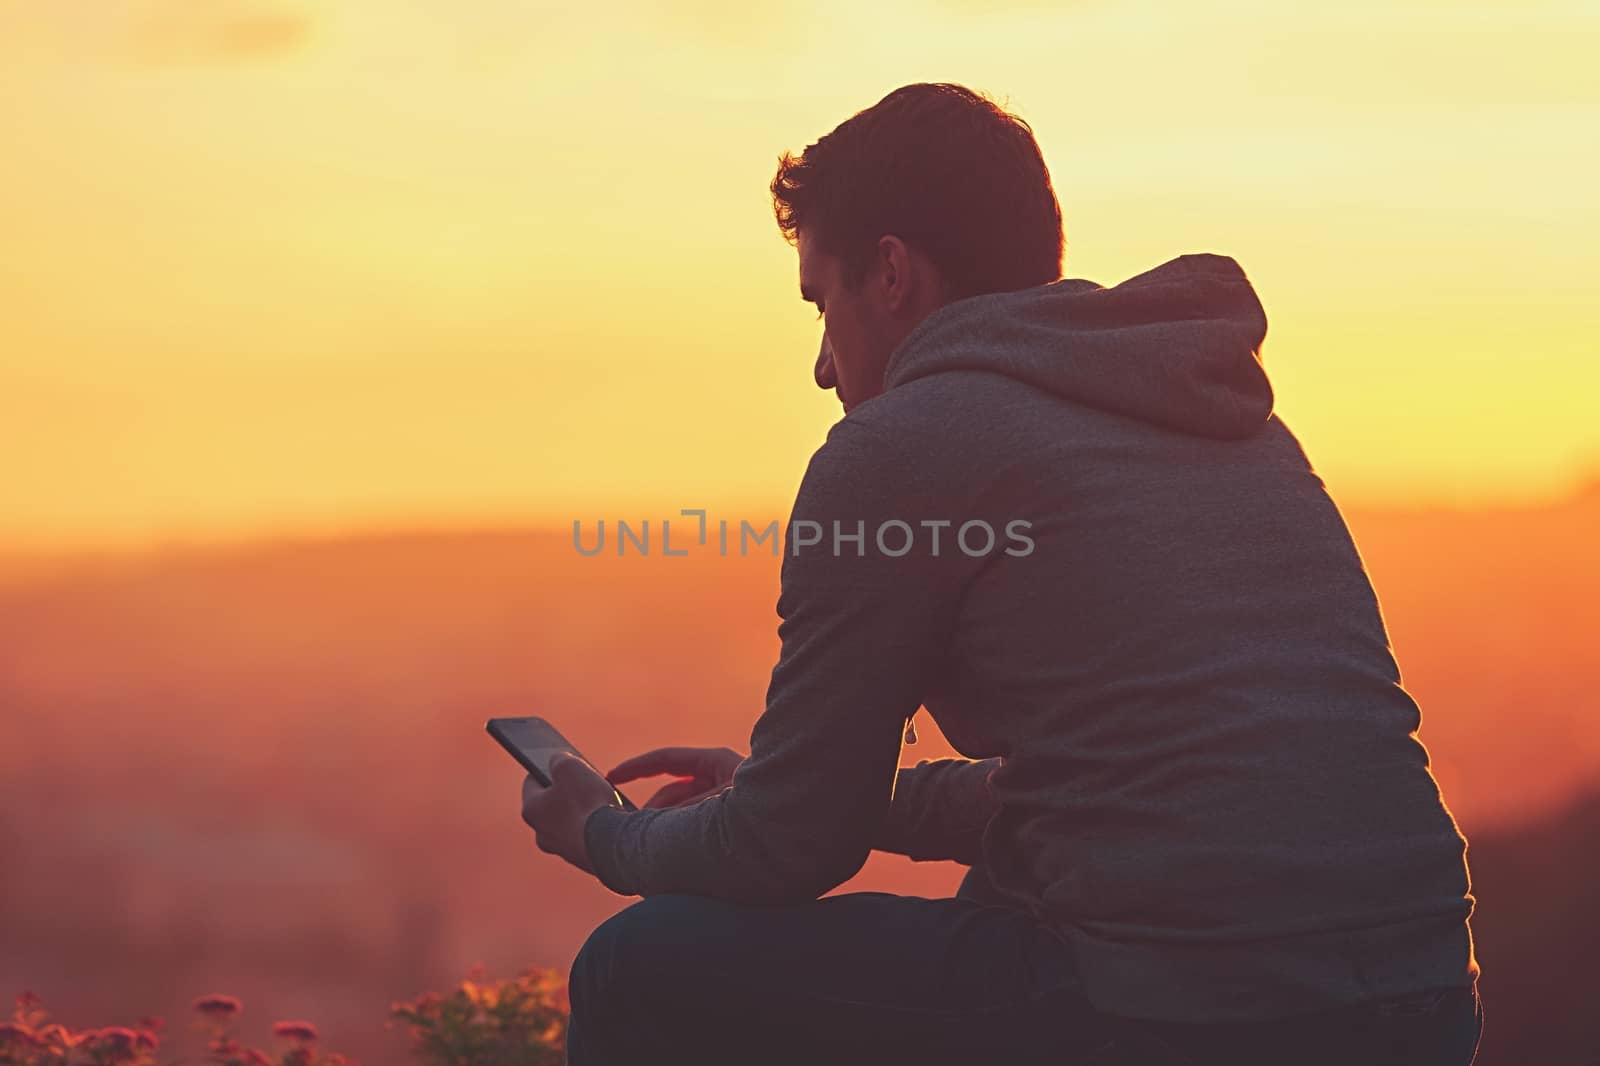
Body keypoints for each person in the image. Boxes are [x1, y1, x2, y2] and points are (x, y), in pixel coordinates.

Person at [519, 82, 1483, 1066]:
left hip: (1188, 1012)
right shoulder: (1228, 419)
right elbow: (1121, 791)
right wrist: (840, 793)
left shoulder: (898, 447)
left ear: (890, 274)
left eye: (820, 301)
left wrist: (603, 835)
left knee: (637, 966)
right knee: (1009, 898)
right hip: (1425, 1000)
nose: (819, 364)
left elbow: (788, 850)